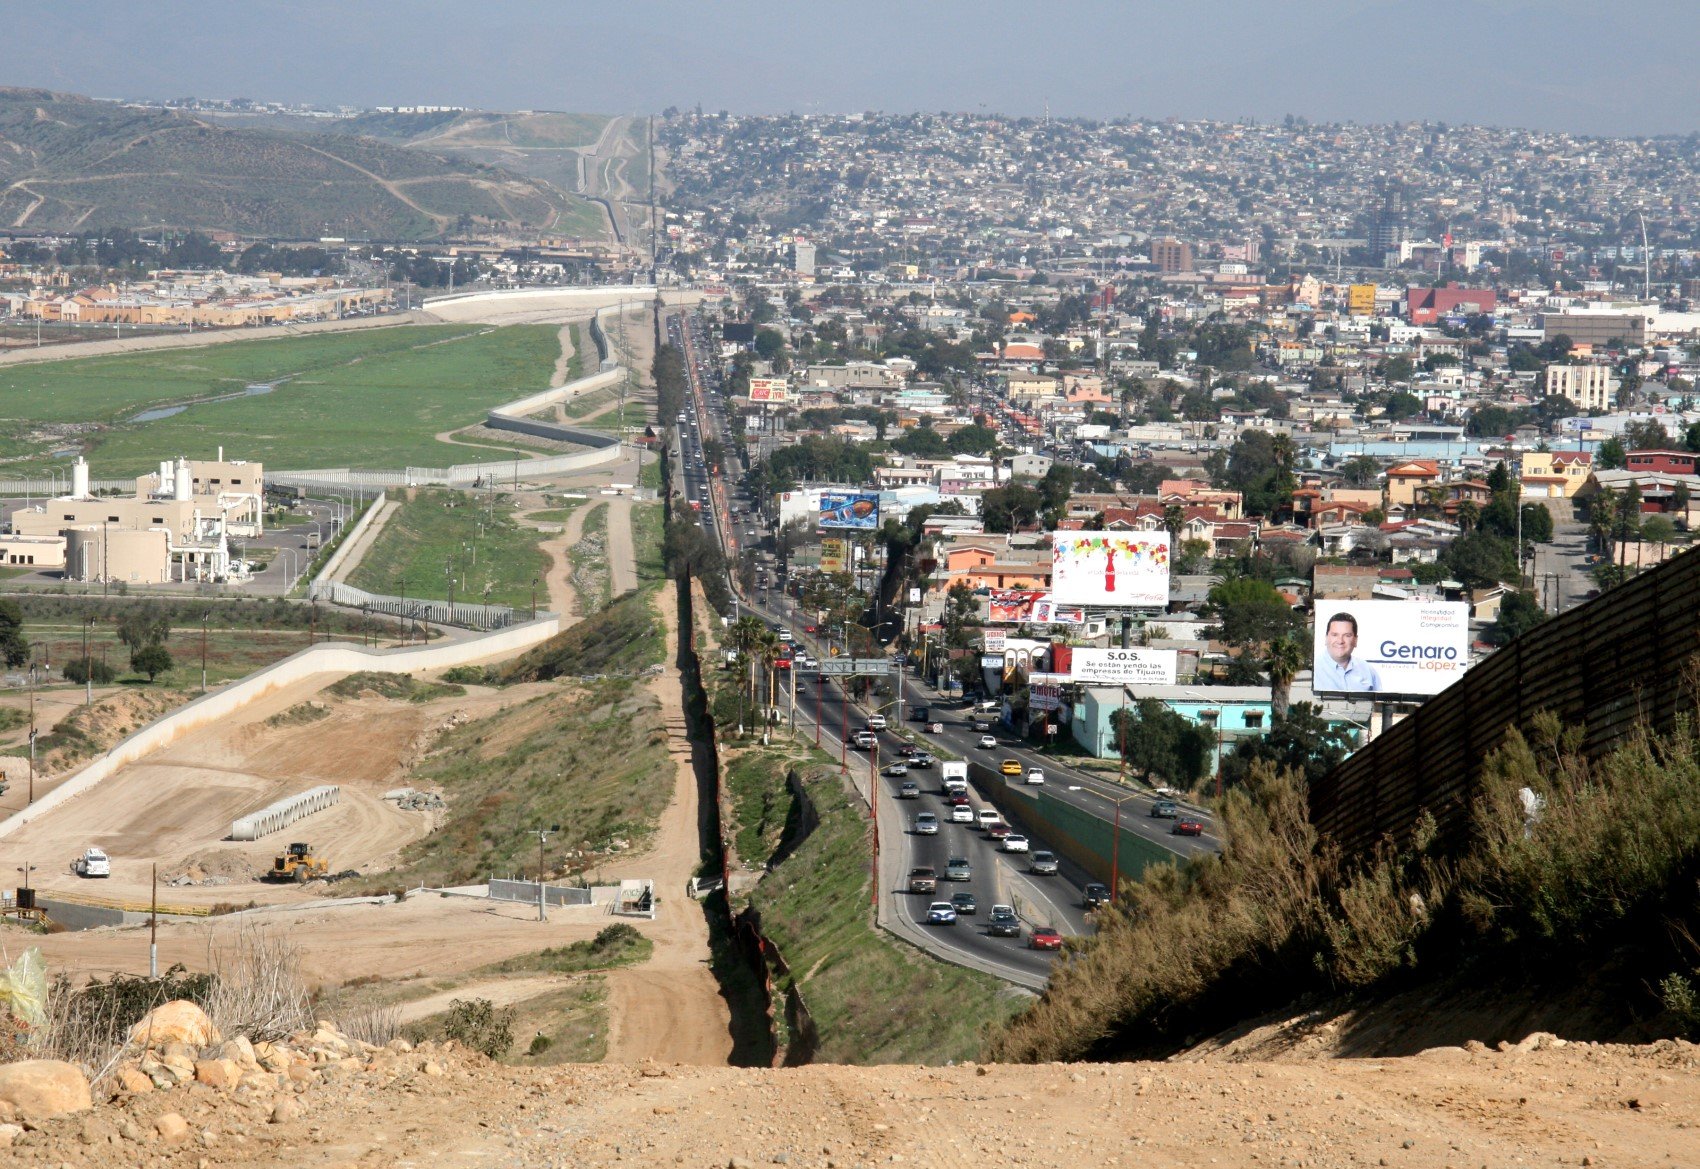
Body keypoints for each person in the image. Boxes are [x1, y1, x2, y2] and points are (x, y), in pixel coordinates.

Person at [1317, 611, 1381, 693]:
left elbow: (1380, 703)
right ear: (1326, 638)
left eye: (1347, 635)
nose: (1340, 641)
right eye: (1335, 635)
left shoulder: (1368, 670)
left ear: (1355, 640)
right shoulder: (1315, 669)